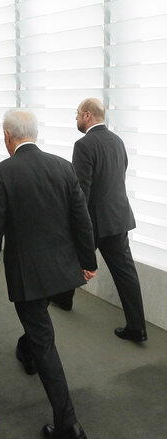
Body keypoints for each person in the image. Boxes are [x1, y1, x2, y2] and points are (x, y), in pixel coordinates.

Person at [0, 109, 97, 439]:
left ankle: (68, 424)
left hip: (28, 277)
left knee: (44, 343)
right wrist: (88, 262)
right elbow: (82, 220)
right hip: (62, 273)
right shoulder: (63, 167)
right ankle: (26, 353)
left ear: (7, 136)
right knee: (36, 328)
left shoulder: (0, 174)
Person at [51, 98, 147, 342]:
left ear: (87, 116)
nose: (75, 119)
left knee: (71, 258)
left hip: (94, 222)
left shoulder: (83, 145)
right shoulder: (118, 141)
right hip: (118, 218)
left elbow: (81, 190)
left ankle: (63, 299)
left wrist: (74, 222)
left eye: (77, 114)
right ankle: (138, 328)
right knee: (126, 274)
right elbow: (119, 175)